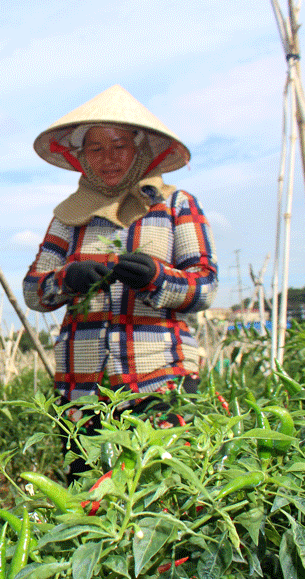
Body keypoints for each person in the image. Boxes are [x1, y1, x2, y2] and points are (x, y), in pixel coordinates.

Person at [23, 85, 218, 478]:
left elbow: (205, 286)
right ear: (81, 158)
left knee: (159, 495)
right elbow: (33, 290)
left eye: (118, 146)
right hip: (83, 391)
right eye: (94, 149)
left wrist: (156, 278)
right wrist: (67, 279)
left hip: (158, 380)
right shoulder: (69, 216)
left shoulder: (175, 205)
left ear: (140, 146)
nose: (107, 158)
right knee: (88, 502)